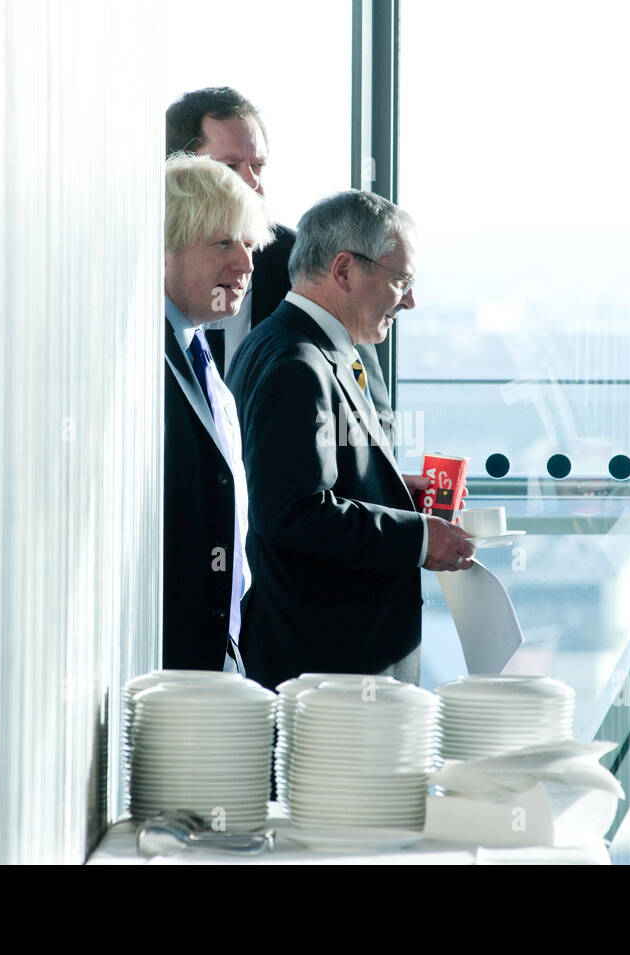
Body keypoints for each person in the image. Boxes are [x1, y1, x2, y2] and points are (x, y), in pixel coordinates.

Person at [226, 190, 475, 690]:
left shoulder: (291, 346)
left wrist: (395, 493)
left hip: (323, 663)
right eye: (400, 280)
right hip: (326, 674)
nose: (409, 299)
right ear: (344, 271)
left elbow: (304, 480)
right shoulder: (296, 363)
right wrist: (421, 538)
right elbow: (293, 513)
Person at [165, 87, 394, 435]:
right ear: (182, 170)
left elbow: (367, 406)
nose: (252, 183)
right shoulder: (140, 267)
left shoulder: (306, 261)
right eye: (229, 167)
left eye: (257, 166)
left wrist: (377, 483)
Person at [161, 152, 272, 672]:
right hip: (165, 661)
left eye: (248, 245)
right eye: (224, 242)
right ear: (168, 246)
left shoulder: (205, 361)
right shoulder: (141, 365)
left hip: (219, 657)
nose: (247, 264)